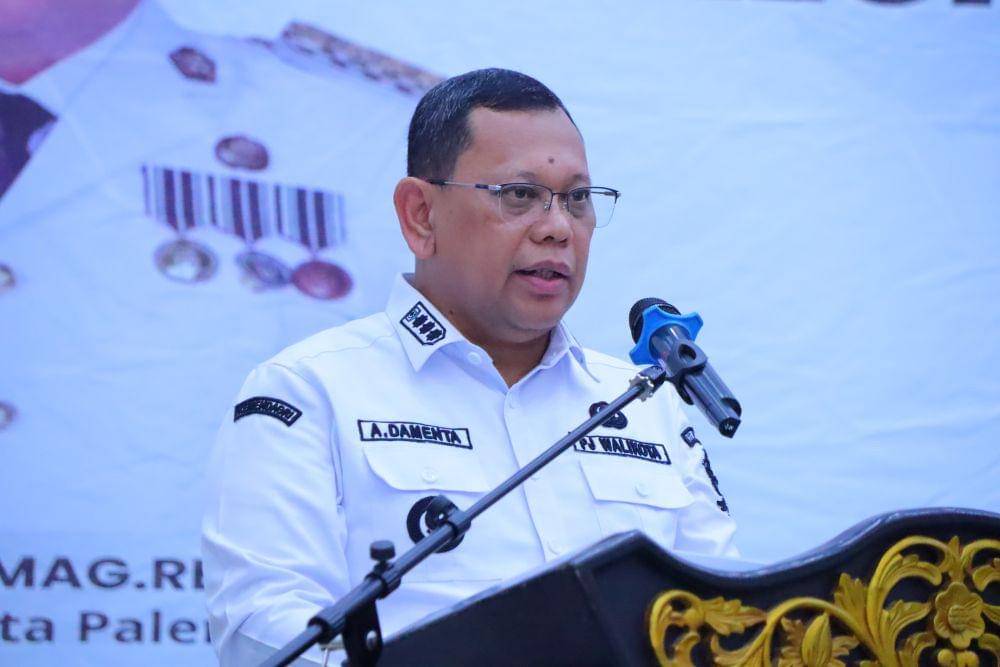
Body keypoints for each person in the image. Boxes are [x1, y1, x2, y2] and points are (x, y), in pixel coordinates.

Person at [202, 67, 737, 665]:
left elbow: (727, 616)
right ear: (420, 215)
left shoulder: (642, 402)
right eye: (520, 195)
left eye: (577, 199)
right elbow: (263, 631)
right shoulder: (309, 391)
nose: (558, 228)